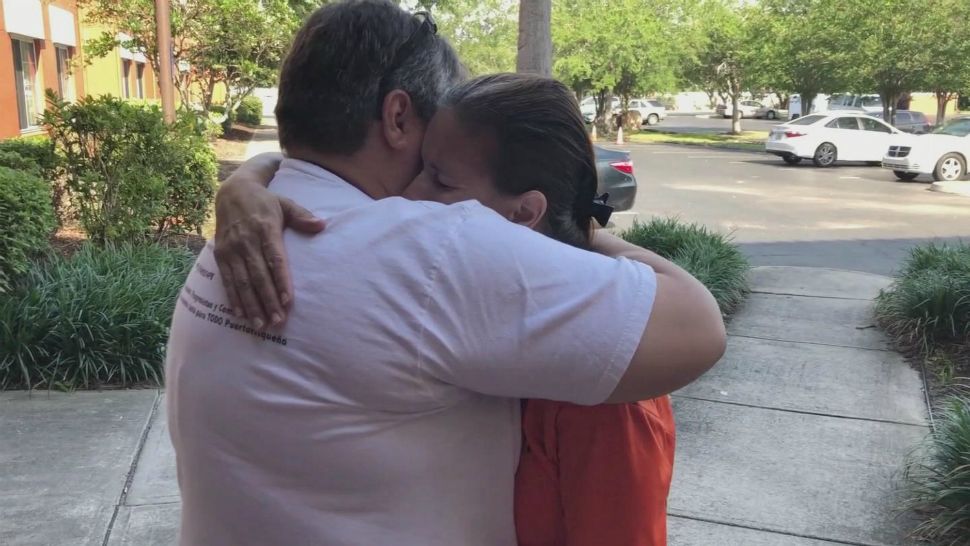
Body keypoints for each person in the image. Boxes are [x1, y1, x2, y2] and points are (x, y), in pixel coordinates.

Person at [167, 1, 725, 545]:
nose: (421, 195)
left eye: (442, 175)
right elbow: (698, 328)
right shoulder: (427, 248)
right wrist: (576, 229)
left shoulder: (241, 233)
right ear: (398, 117)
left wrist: (251, 174)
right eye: (429, 163)